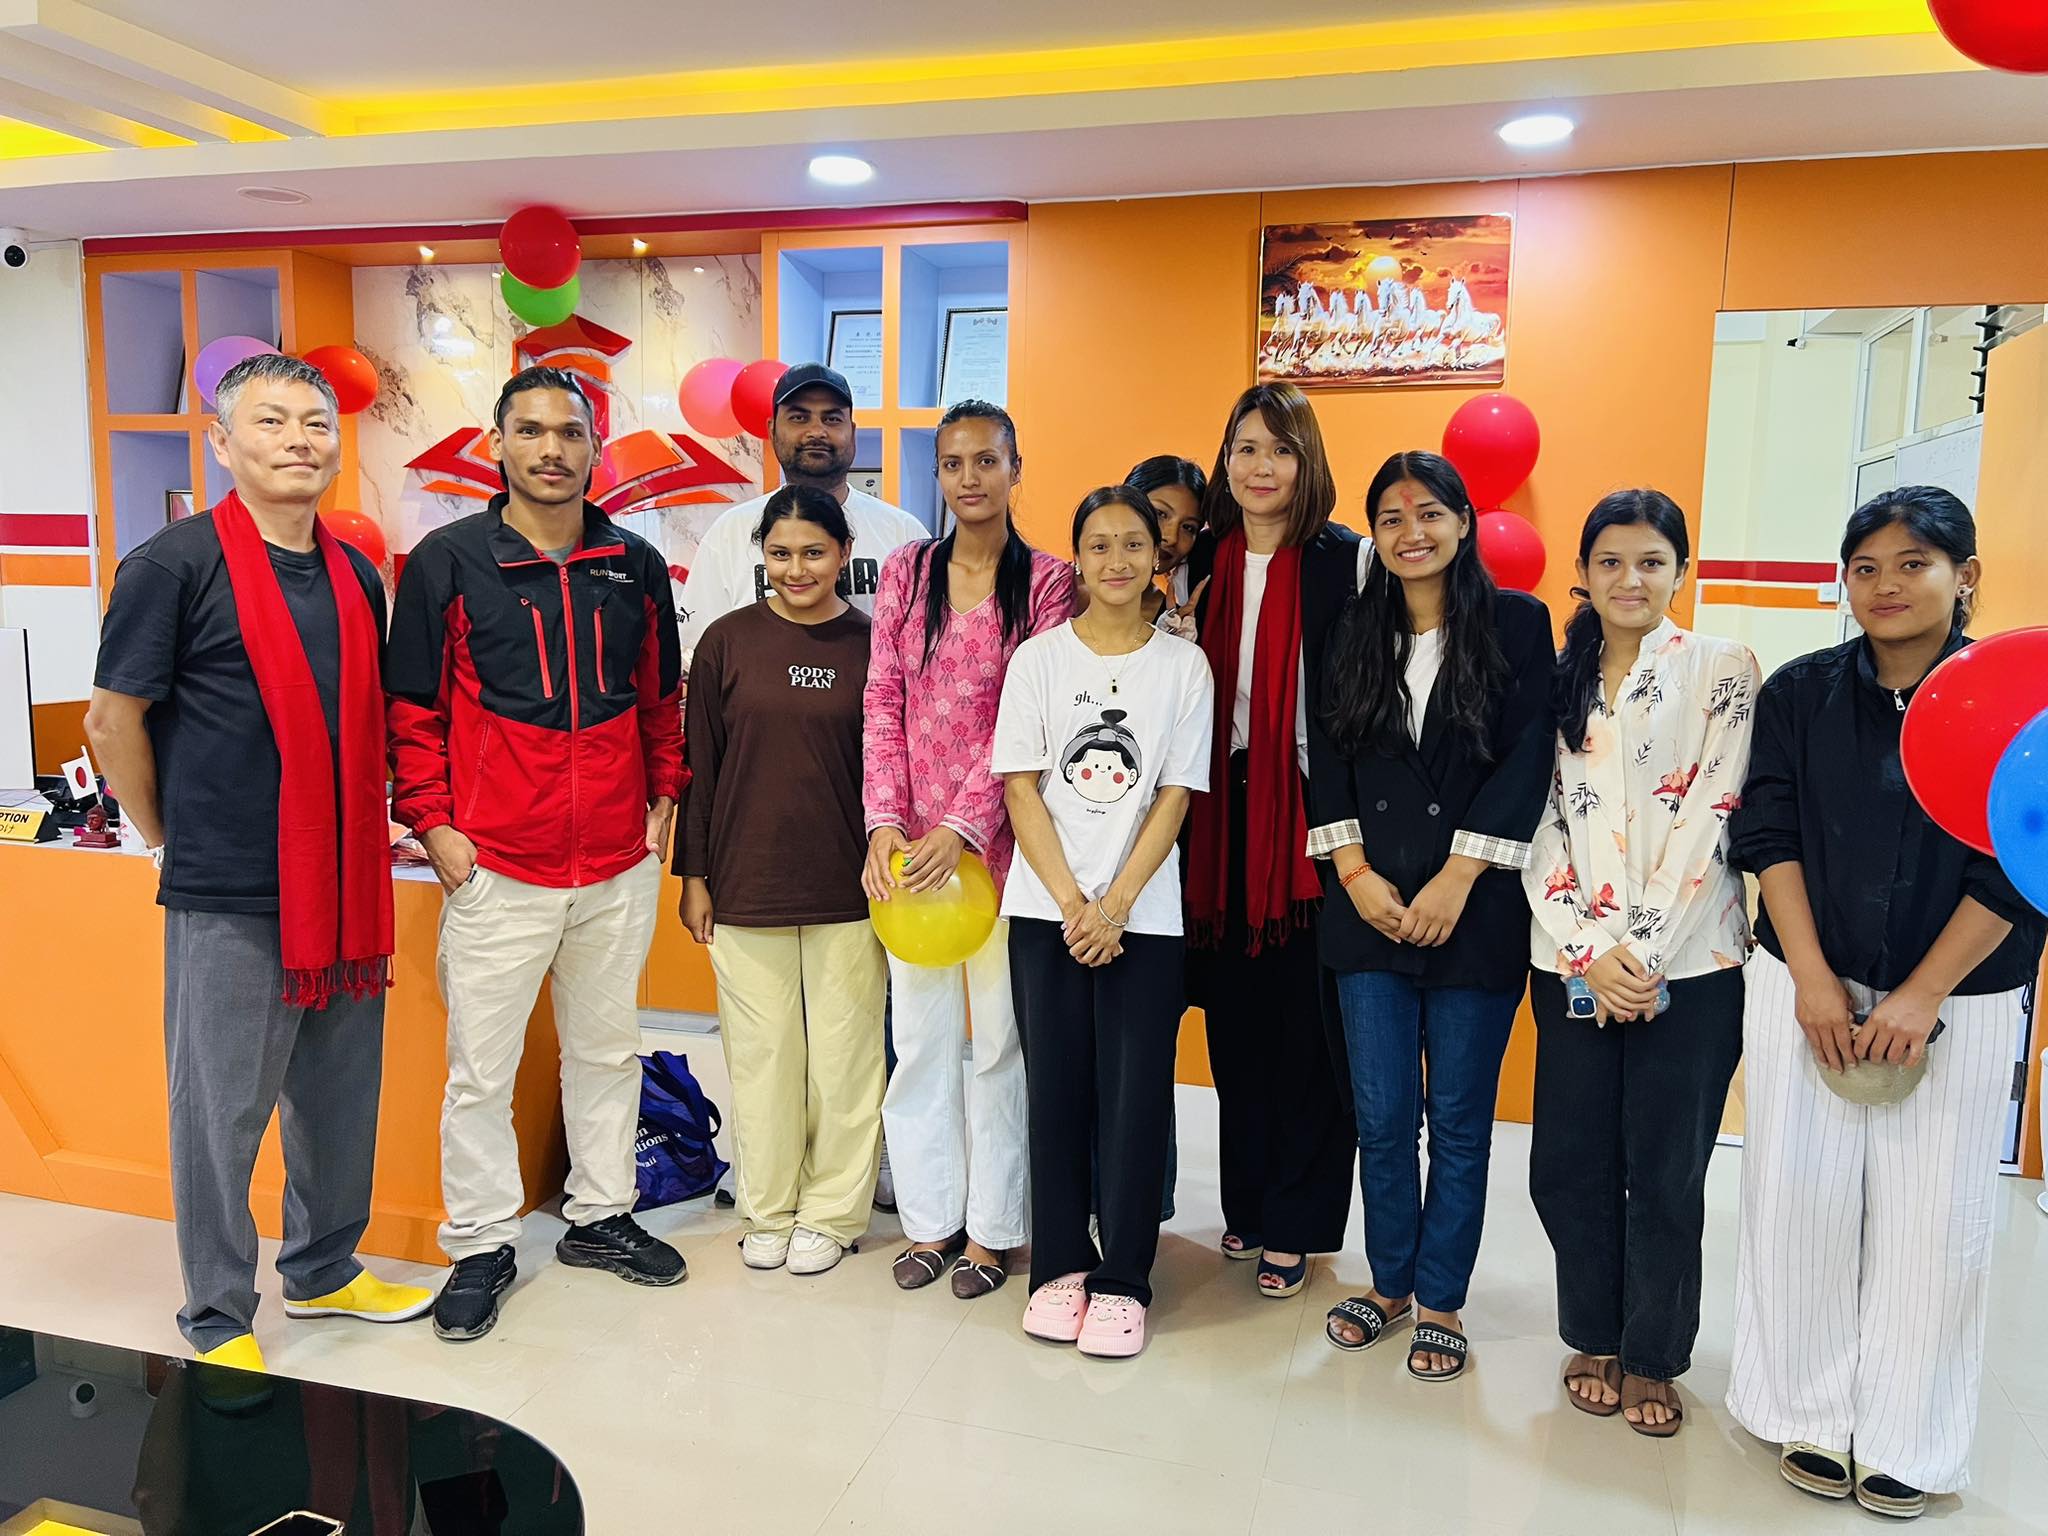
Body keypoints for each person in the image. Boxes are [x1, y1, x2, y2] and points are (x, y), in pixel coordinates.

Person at [85, 352, 430, 1370]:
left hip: (345, 885)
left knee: (337, 1099)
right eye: (271, 421)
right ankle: (218, 1315)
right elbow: (111, 721)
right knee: (220, 1113)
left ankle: (323, 1271)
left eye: (315, 423)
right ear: (223, 443)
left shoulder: (355, 573)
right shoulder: (174, 565)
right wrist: (167, 836)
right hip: (231, 888)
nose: (298, 441)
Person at [1726, 486, 2044, 1519]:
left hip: (1962, 990)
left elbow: (2022, 861)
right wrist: (1811, 974)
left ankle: (1909, 1437)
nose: (1886, 586)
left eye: (1913, 564)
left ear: (1965, 575)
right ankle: (1805, 1411)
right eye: (1865, 568)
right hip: (1805, 979)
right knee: (1797, 1200)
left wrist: (1920, 993)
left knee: (1935, 1221)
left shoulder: (2018, 700)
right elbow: (1765, 832)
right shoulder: (1800, 692)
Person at [387, 365, 688, 1343]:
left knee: (606, 1050)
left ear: (595, 447)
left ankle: (600, 1215)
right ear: (499, 443)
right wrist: (436, 827)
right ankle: (480, 1242)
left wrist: (665, 798)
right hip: (497, 864)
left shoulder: (634, 565)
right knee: (482, 1070)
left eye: (570, 432)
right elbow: (411, 710)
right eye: (532, 431)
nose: (552, 449)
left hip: (615, 861)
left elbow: (660, 700)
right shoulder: (445, 563)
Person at [1310, 449, 1553, 1380]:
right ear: (1374, 534)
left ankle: (1441, 1300)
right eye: (1391, 518)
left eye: (1429, 514)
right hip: (1367, 910)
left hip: (1474, 912)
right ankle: (1388, 1284)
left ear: (1464, 522)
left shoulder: (1519, 624)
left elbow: (1529, 757)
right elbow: (1327, 757)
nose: (1411, 533)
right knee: (1381, 1119)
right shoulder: (1351, 628)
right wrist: (1355, 874)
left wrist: (1457, 877)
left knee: (1457, 1122)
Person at [1524, 490, 1760, 1436]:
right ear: (1584, 574)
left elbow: (1713, 813)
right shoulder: (1554, 679)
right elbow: (1534, 823)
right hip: (1571, 962)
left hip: (1691, 965)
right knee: (1569, 1163)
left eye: (1651, 561)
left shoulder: (1723, 668)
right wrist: (1592, 953)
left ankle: (1654, 1353)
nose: (1631, 579)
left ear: (1680, 570)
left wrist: (1643, 954)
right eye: (1611, 562)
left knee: (1666, 1169)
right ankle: (1594, 1333)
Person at [862, 398, 1075, 1298]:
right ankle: (929, 1221)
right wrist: (885, 823)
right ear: (937, 474)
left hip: (1005, 851)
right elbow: (882, 701)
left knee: (999, 1047)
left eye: (987, 461)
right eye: (952, 463)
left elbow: (1029, 723)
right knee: (918, 1042)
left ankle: (993, 1232)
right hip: (908, 859)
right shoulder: (907, 571)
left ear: (1016, 469)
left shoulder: (1050, 582)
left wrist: (962, 827)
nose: (970, 478)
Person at [998, 486, 1214, 1357]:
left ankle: (1124, 1278)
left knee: (1135, 1098)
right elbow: (1021, 788)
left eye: (1134, 543)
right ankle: (1059, 1264)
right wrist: (1072, 905)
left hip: (1144, 918)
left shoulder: (1183, 668)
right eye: (1099, 545)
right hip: (1043, 911)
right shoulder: (1037, 661)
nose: (1117, 559)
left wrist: (1116, 904)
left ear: (1156, 557)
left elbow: (1175, 795)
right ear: (1077, 559)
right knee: (1053, 1092)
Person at [677, 485, 885, 1277]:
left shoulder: (874, 643)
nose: (797, 569)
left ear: (844, 554)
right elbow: (700, 768)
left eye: (814, 553)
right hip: (746, 882)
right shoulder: (727, 642)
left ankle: (832, 1213)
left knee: (845, 1061)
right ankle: (766, 1209)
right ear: (760, 556)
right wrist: (694, 876)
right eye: (780, 554)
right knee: (761, 1059)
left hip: (850, 886)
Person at [1182, 383, 1360, 1299]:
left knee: (1308, 1038)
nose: (1261, 467)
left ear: (1307, 461)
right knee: (1237, 1031)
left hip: (1310, 820)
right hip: (1217, 818)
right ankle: (1248, 1205)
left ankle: (1298, 1220)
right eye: (1246, 448)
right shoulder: (1201, 557)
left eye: (1281, 450)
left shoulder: (1343, 562)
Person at [677, 363, 927, 669]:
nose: (816, 432)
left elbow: (927, 651)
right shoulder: (730, 531)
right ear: (772, 430)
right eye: (799, 417)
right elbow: (699, 652)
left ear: (852, 432)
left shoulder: (904, 534)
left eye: (832, 418)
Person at [1123, 454, 1208, 639]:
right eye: (1160, 514)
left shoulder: (1173, 624)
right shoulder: (1058, 583)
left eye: (1188, 527)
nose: (1171, 537)